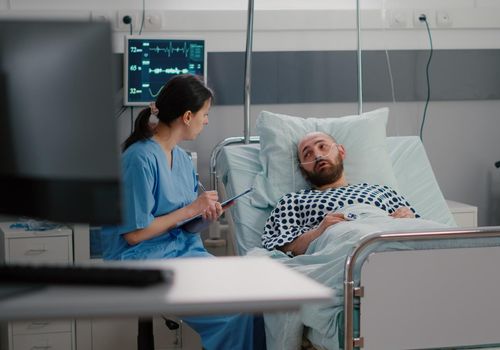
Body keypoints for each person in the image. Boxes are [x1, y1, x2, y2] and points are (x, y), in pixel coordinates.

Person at [101, 75, 264, 350]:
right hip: (141, 259)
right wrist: (191, 208)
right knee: (233, 315)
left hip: (183, 252)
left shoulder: (183, 161)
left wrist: (204, 217)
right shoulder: (139, 158)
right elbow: (134, 234)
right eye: (205, 114)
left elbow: (183, 226)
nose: (207, 121)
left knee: (255, 302)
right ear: (188, 116)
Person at [262, 131, 419, 256]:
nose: (317, 155)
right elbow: (281, 249)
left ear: (341, 151)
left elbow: (420, 225)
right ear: (303, 171)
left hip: (395, 237)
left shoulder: (382, 191)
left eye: (322, 146)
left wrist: (408, 217)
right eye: (307, 154)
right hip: (346, 244)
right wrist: (319, 232)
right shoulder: (293, 201)